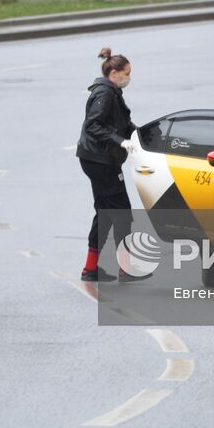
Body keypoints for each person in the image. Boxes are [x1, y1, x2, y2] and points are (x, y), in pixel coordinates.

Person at [76, 46, 136, 282]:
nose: (129, 78)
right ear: (115, 73)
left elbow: (122, 123)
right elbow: (94, 125)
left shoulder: (112, 93)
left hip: (98, 159)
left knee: (105, 214)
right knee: (122, 213)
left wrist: (142, 136)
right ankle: (126, 268)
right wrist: (120, 142)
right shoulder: (105, 94)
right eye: (127, 73)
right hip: (101, 161)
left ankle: (91, 269)